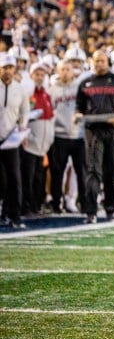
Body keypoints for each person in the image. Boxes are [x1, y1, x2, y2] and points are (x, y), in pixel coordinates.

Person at [75, 49, 114, 223]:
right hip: (92, 130)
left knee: (110, 170)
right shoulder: (85, 83)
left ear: (108, 62)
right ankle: (91, 211)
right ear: (92, 62)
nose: (99, 64)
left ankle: (110, 210)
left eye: (102, 61)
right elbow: (79, 106)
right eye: (96, 61)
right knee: (93, 170)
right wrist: (78, 114)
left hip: (112, 130)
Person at [47, 59, 86, 214]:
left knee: (81, 172)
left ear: (73, 71)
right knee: (58, 172)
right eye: (62, 69)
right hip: (59, 135)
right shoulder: (52, 91)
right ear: (58, 71)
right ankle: (56, 203)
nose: (65, 72)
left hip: (79, 135)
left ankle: (84, 203)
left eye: (68, 69)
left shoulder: (80, 88)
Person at [20, 62, 55, 217]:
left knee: (39, 176)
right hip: (30, 142)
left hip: (42, 145)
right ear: (31, 75)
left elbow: (50, 117)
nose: (40, 78)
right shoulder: (28, 94)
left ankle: (36, 204)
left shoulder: (46, 95)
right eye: (37, 74)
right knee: (28, 175)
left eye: (42, 75)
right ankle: (26, 205)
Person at [0, 52, 30, 229]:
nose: (8, 71)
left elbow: (25, 111)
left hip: (10, 138)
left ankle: (15, 215)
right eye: (4, 68)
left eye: (10, 68)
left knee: (14, 178)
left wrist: (22, 126)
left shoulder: (19, 89)